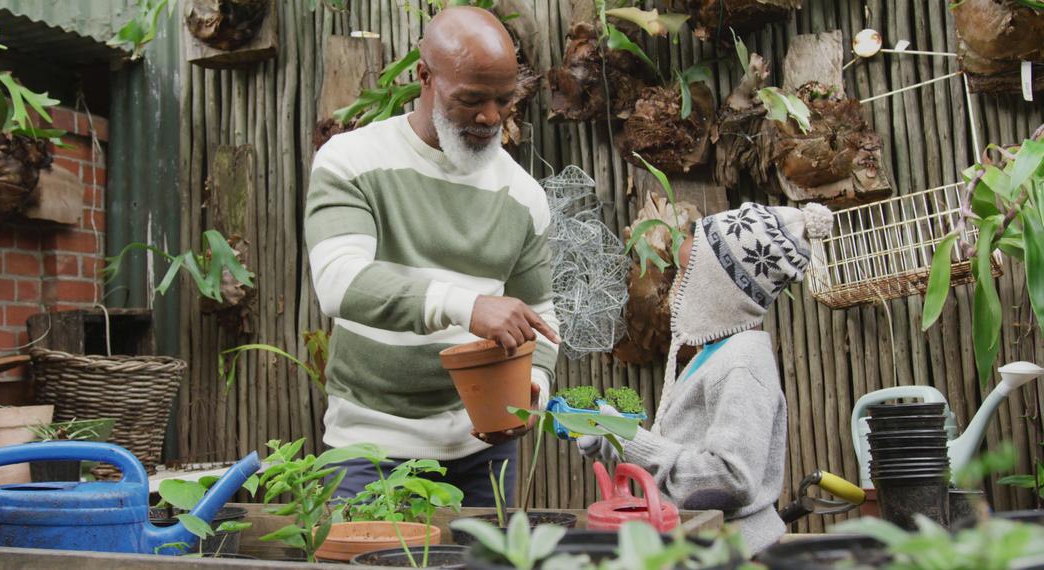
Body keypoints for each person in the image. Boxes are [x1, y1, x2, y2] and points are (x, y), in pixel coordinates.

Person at [303, 6, 560, 506]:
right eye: (470, 99)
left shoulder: (524, 195)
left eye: (503, 100)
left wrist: (534, 385)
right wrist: (467, 305)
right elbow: (340, 280)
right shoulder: (351, 161)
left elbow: (542, 313)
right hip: (369, 448)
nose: (490, 116)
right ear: (424, 76)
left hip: (483, 451)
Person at [578, 201, 834, 553]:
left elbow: (730, 479)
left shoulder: (741, 364)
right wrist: (617, 437)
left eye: (685, 273)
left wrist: (630, 439)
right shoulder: (714, 354)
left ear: (722, 286)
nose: (676, 284)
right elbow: (690, 448)